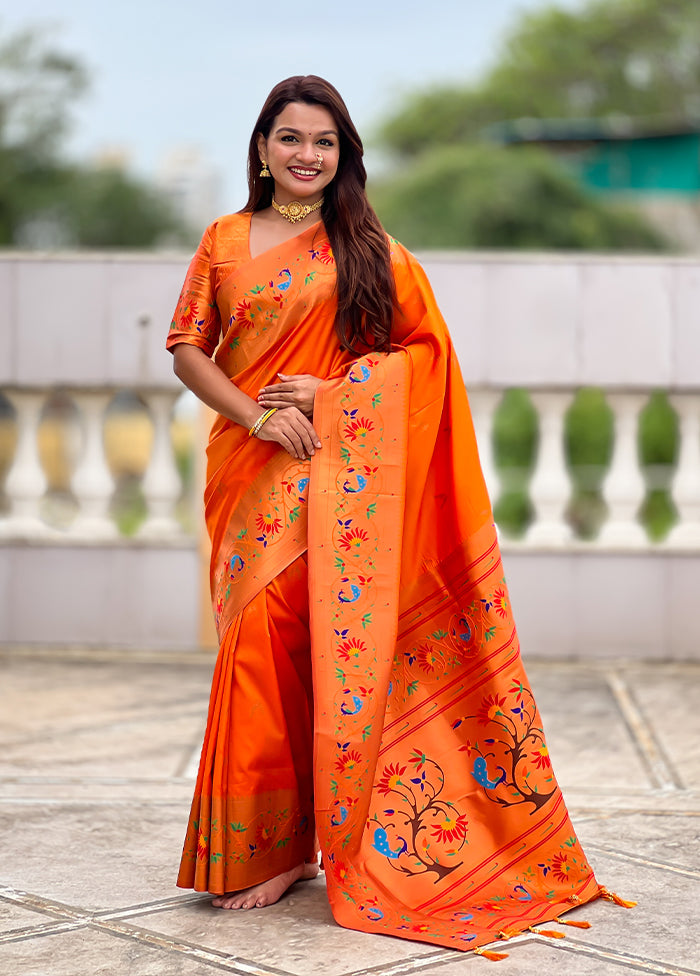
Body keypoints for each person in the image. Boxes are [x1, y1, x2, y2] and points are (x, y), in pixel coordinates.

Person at [167, 75, 625, 956]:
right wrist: (257, 416)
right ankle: (272, 846)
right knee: (256, 643)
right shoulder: (222, 240)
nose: (306, 155)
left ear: (344, 155)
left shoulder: (372, 250)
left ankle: (291, 849)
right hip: (247, 467)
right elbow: (188, 347)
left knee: (302, 644)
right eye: (290, 138)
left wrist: (336, 396)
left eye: (324, 141)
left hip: (334, 476)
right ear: (261, 147)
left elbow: (426, 359)